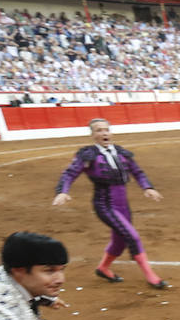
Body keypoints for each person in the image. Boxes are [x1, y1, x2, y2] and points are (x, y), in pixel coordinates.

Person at [53, 118, 169, 289]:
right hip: (105, 204)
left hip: (123, 205)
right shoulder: (87, 155)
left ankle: (103, 268)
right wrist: (63, 191)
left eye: (106, 129)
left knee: (120, 241)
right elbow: (70, 173)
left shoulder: (122, 153)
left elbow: (137, 172)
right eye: (99, 130)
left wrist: (147, 187)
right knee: (132, 236)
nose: (104, 133)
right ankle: (151, 276)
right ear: (93, 135)